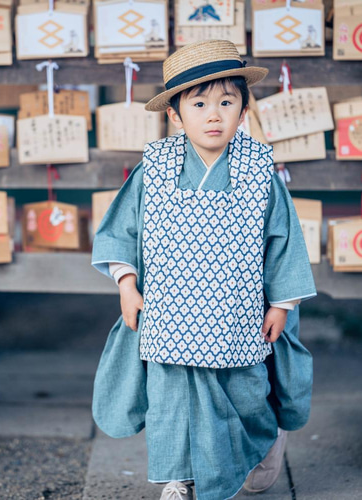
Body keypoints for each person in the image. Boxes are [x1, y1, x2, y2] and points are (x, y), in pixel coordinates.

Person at [91, 40, 316, 500]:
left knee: (246, 396)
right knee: (173, 402)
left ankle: (262, 441)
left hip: (239, 314)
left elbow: (285, 240)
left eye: (226, 102)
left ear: (243, 110)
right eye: (199, 104)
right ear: (175, 114)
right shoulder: (153, 168)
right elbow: (121, 232)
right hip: (170, 315)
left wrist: (282, 304)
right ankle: (180, 478)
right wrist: (127, 285)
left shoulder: (260, 170)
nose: (214, 115)